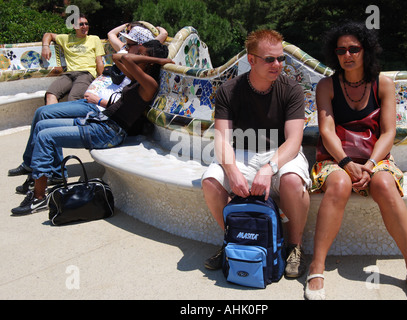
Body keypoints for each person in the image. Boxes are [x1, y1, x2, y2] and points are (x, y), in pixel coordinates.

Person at [305, 21, 407, 300]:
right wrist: (347, 163)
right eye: (341, 50)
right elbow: (326, 130)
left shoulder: (382, 83)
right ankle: (317, 266)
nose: (347, 55)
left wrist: (371, 165)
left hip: (375, 158)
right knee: (338, 184)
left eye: (353, 49)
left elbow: (389, 132)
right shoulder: (327, 85)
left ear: (366, 50)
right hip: (337, 158)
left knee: (384, 184)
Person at [11, 40, 174, 216]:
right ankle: (45, 175)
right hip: (99, 122)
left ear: (149, 60)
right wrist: (155, 60)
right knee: (42, 125)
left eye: (142, 53)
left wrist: (156, 60)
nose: (137, 55)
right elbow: (117, 57)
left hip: (108, 133)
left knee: (45, 137)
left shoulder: (148, 83)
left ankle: (38, 197)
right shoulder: (138, 78)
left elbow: (126, 57)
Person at [201, 30, 311, 278]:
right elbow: (222, 140)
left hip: (281, 152)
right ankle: (234, 238)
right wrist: (232, 171)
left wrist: (269, 167)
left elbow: (294, 140)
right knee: (210, 182)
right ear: (251, 60)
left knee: (292, 181)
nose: (278, 65)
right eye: (269, 59)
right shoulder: (229, 90)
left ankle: (294, 247)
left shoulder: (291, 89)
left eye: (281, 59)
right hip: (241, 151)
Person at [41, 13, 105, 105]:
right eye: (81, 24)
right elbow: (48, 34)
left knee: (73, 98)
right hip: (69, 74)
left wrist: (101, 80)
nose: (85, 26)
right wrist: (45, 47)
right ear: (74, 27)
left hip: (86, 74)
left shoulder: (94, 39)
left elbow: (99, 62)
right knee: (50, 94)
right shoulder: (66, 38)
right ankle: (52, 118)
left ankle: (72, 119)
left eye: (86, 24)